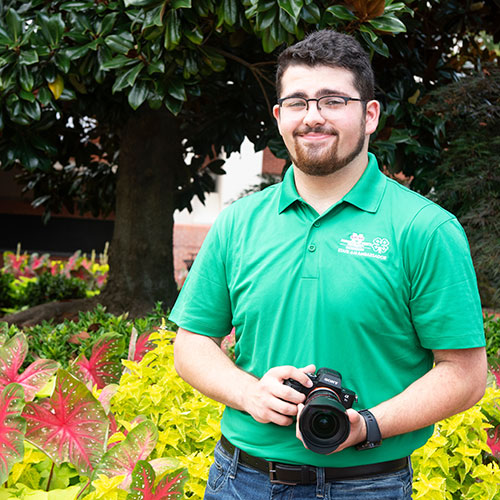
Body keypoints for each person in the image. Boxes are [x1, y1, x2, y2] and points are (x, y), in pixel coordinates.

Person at [170, 29, 487, 500]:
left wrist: (368, 425)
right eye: (297, 102)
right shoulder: (238, 223)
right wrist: (250, 393)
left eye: (333, 100)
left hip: (369, 484)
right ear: (279, 117)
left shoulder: (425, 229)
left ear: (370, 114)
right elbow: (192, 343)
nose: (313, 117)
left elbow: (464, 373)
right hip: (241, 480)